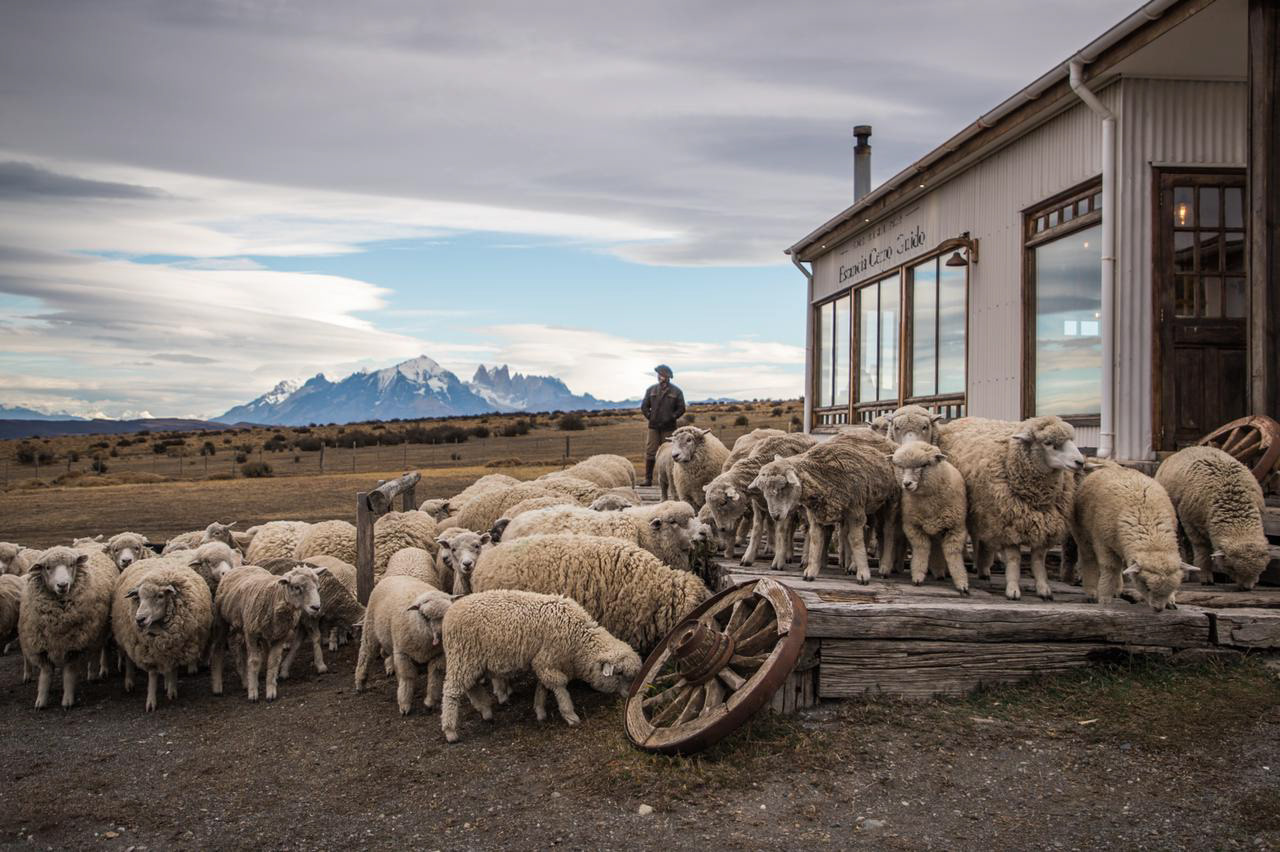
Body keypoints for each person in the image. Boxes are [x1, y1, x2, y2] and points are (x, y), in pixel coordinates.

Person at [640, 364, 686, 486]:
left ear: (667, 376)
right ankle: (648, 479)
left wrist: (672, 417)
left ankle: (674, 479)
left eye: (661, 374)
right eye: (658, 374)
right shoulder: (651, 390)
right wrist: (650, 417)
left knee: (672, 453)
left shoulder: (677, 391)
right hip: (654, 427)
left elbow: (681, 408)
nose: (659, 377)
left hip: (669, 428)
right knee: (650, 452)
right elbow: (644, 406)